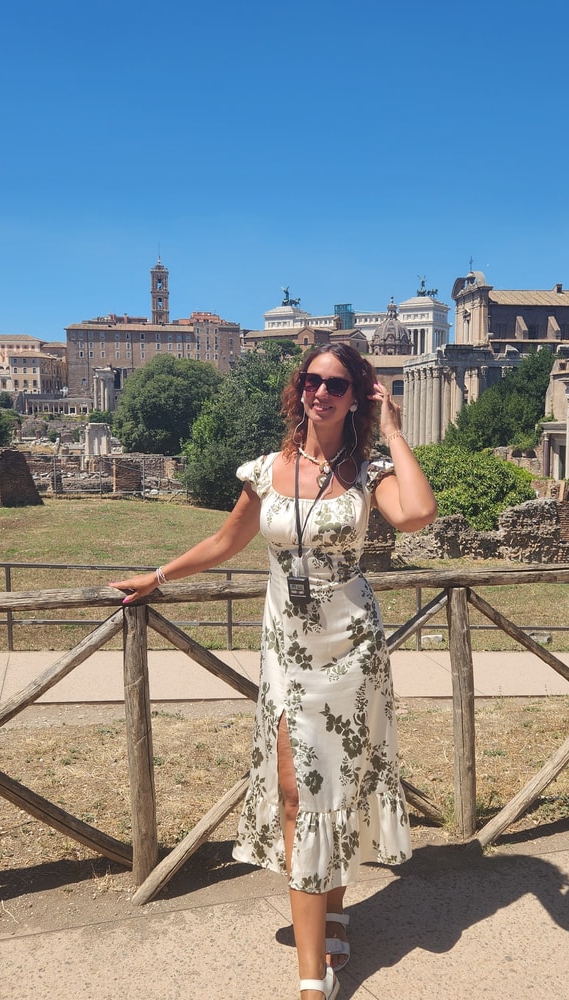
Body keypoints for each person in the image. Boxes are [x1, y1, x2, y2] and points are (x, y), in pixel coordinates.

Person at [110, 344, 437, 1000]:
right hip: (288, 653)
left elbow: (418, 514)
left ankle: (333, 911)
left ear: (357, 395)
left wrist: (395, 432)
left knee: (339, 782)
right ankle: (314, 979)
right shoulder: (267, 469)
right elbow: (226, 541)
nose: (322, 392)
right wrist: (160, 575)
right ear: (300, 389)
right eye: (312, 380)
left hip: (353, 649)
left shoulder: (369, 470)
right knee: (297, 793)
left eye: (337, 384)